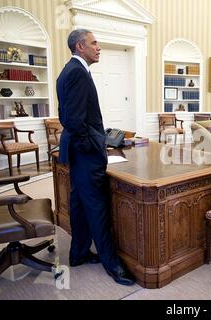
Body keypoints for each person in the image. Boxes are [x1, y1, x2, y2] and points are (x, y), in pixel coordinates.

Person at [57, 29, 135, 286]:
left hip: (76, 152)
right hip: (85, 155)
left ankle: (78, 253)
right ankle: (112, 264)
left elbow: (67, 116)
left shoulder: (69, 71)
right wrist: (95, 146)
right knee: (97, 207)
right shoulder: (77, 73)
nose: (98, 47)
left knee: (79, 203)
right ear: (80, 47)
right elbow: (74, 121)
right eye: (94, 43)